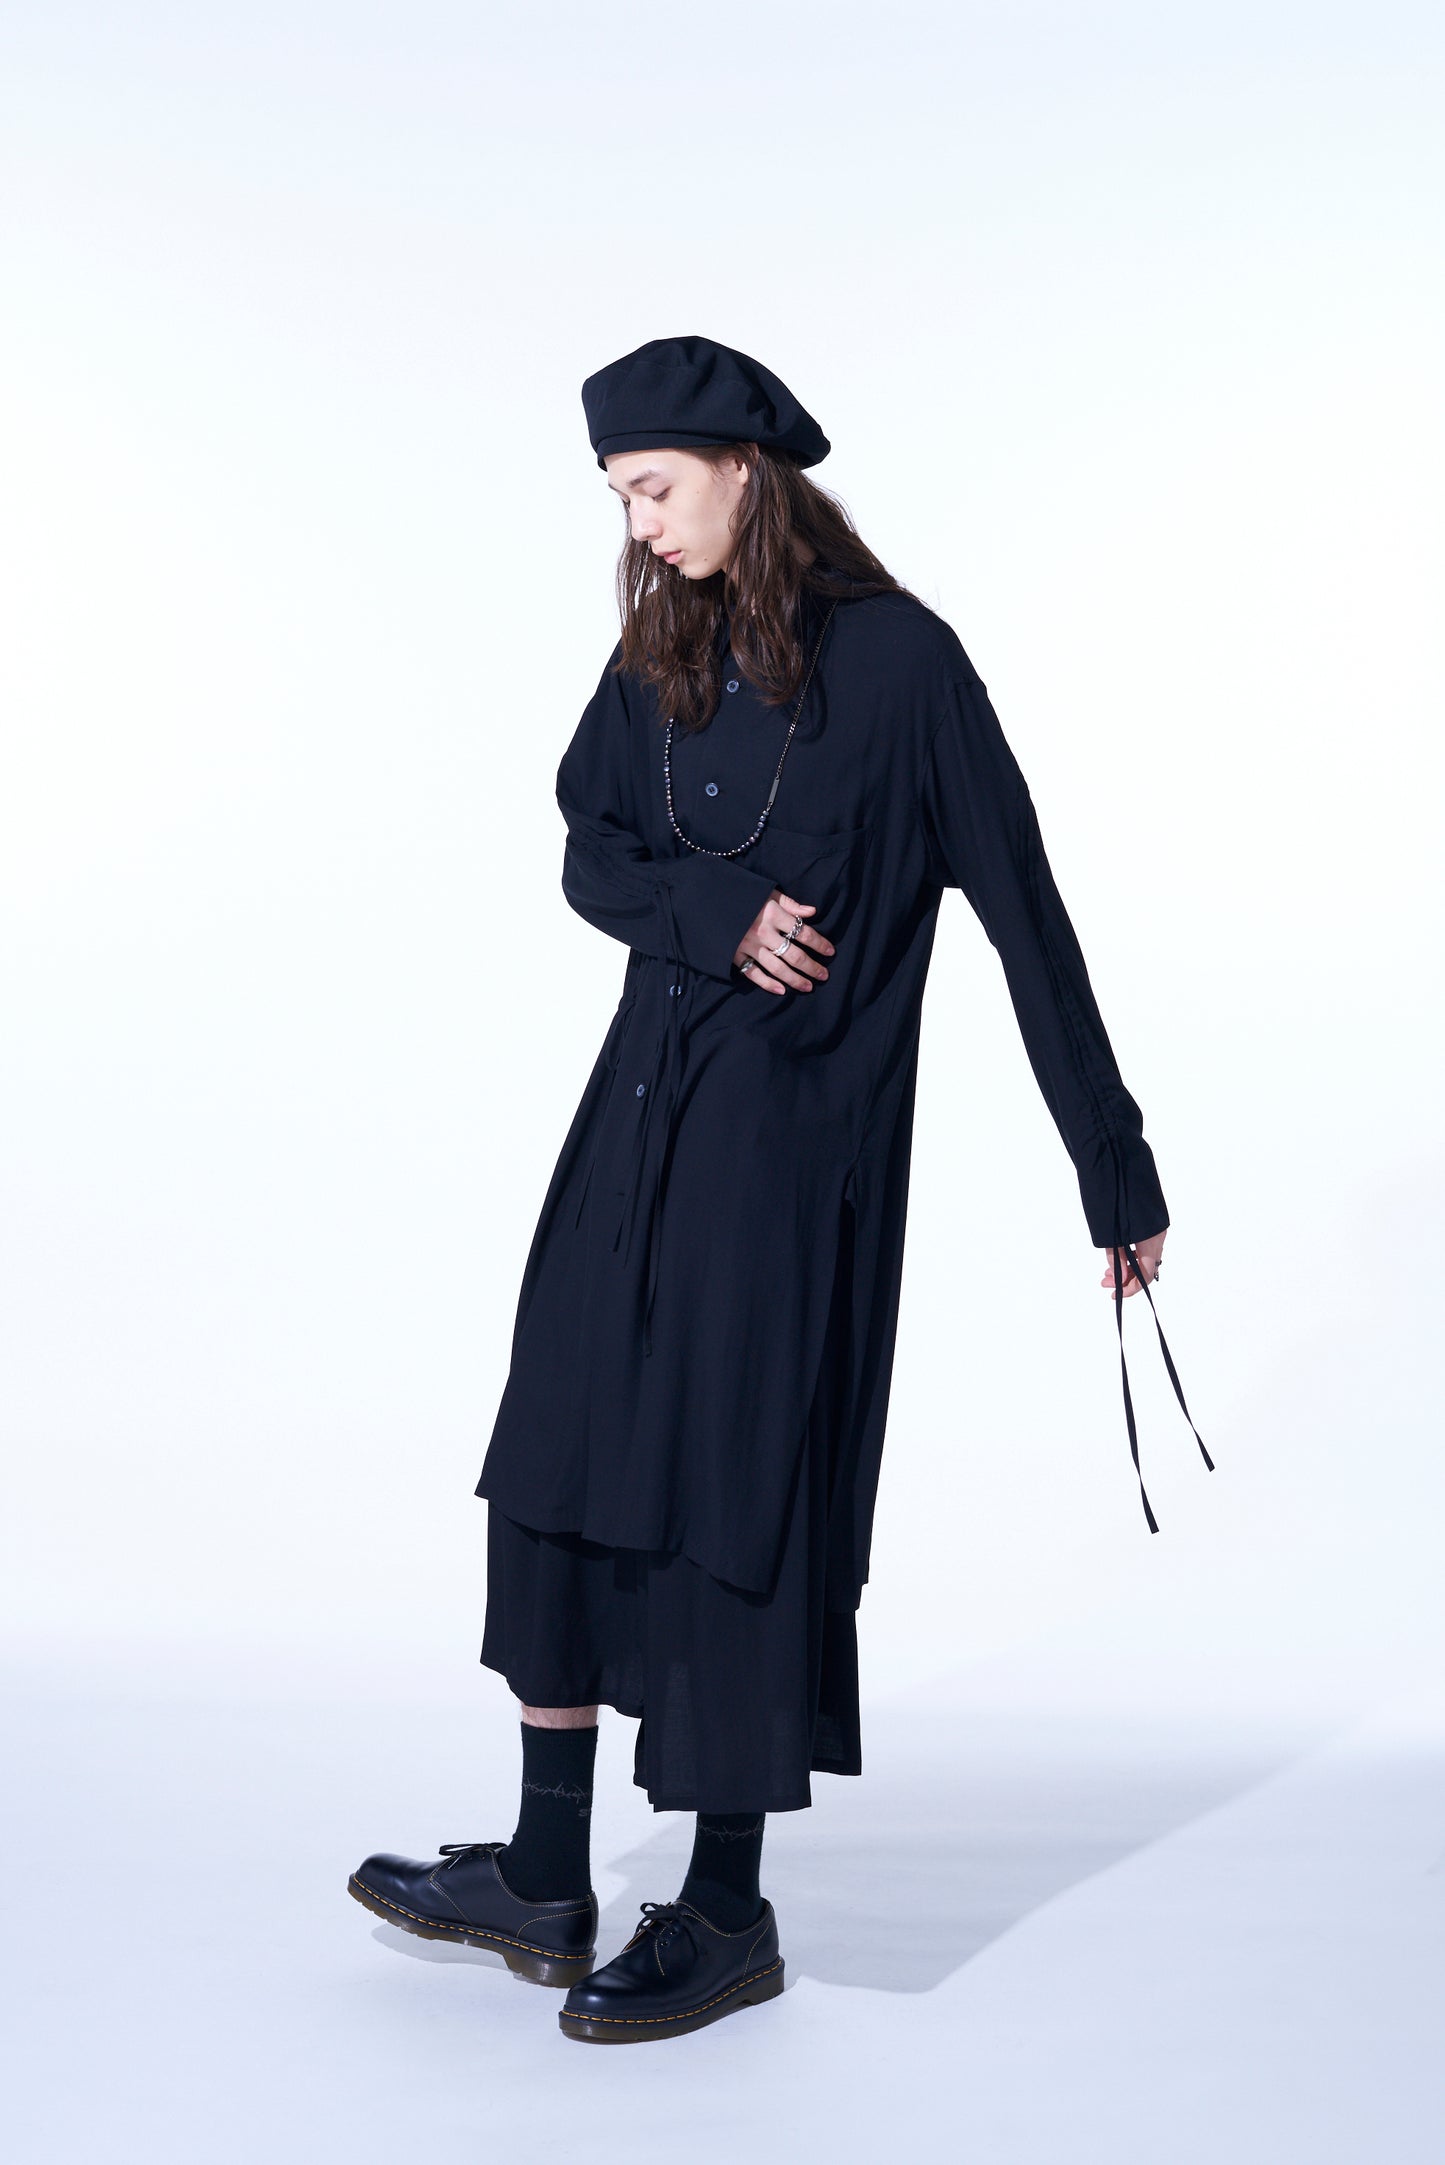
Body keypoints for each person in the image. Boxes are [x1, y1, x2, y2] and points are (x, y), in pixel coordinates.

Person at [348, 334, 1210, 2043]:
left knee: (736, 1494)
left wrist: (1112, 1168)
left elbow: (1024, 916)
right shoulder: (659, 648)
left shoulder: (902, 666)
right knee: (558, 1452)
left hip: (788, 1161)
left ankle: (726, 1906)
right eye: (618, 498)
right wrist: (709, 914)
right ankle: (542, 1870)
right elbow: (590, 845)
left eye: (655, 488)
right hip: (632, 1125)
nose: (639, 525)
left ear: (747, 468)